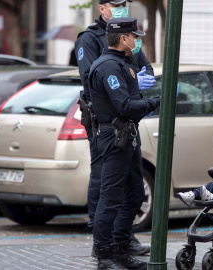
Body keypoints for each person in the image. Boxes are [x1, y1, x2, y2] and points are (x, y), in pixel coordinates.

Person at [74, 0, 155, 256]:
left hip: (127, 130)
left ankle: (121, 240)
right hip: (109, 128)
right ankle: (103, 247)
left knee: (132, 191)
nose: (121, 7)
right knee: (107, 191)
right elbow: (101, 88)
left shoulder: (123, 55)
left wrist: (137, 88)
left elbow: (145, 69)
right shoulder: (92, 43)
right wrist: (152, 100)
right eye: (116, 4)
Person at [88, 17, 161, 270]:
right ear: (123, 39)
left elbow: (131, 101)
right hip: (114, 137)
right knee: (110, 197)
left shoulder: (124, 62)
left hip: (128, 135)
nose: (137, 40)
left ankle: (121, 246)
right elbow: (125, 106)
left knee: (135, 193)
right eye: (134, 36)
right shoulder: (109, 66)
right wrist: (156, 102)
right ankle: (104, 254)